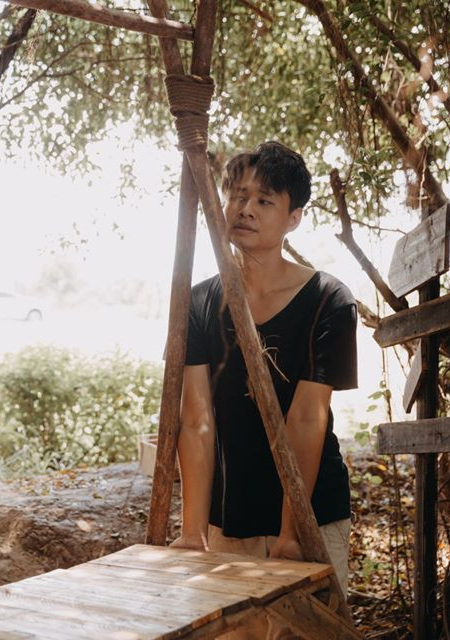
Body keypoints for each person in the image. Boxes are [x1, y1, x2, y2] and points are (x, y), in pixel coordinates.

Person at [172, 142, 357, 620]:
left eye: (264, 200)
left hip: (311, 515)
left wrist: (292, 535)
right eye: (238, 195)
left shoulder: (328, 300)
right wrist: (193, 532)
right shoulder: (198, 302)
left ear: (294, 217)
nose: (245, 209)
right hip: (228, 519)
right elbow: (196, 420)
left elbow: (307, 417)